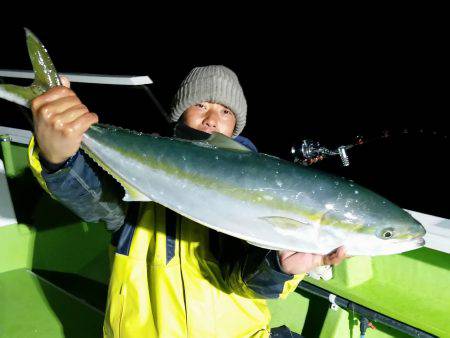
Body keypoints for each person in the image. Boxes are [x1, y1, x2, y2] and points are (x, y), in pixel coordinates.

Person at [28, 65, 346, 337]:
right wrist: (58, 158)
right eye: (201, 106)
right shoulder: (144, 174)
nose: (211, 119)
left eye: (225, 112)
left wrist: (279, 267)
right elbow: (93, 198)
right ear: (180, 116)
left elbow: (251, 285)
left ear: (235, 127)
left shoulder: (258, 193)